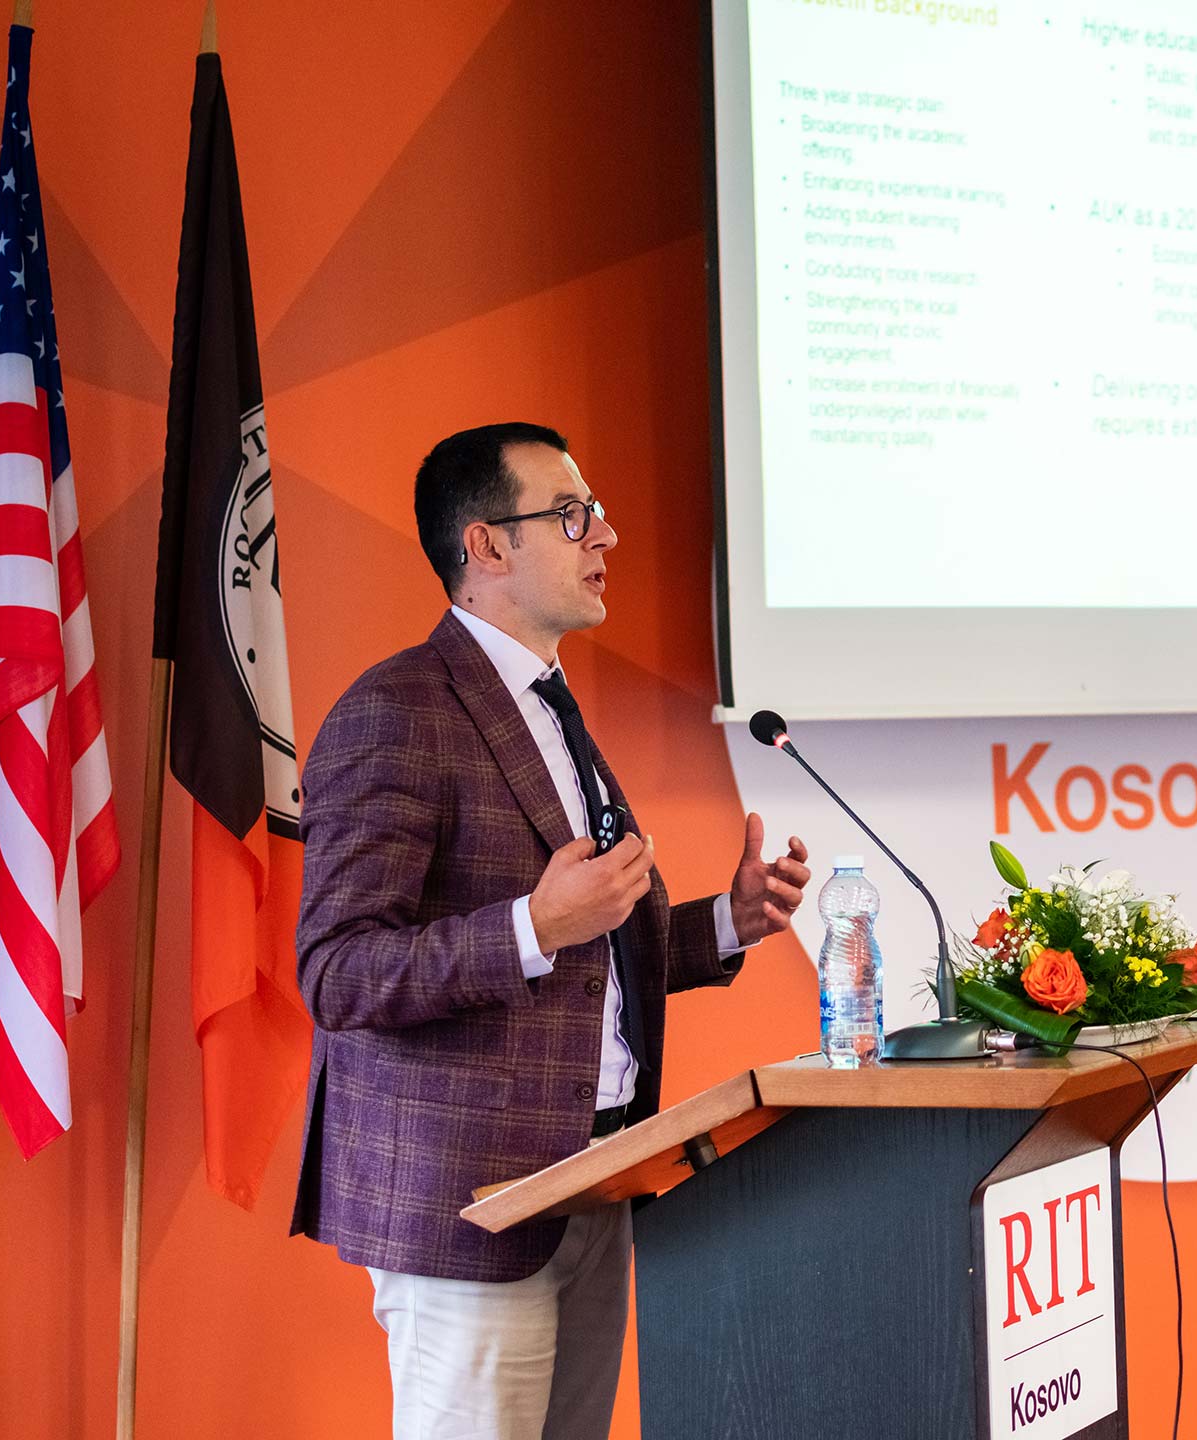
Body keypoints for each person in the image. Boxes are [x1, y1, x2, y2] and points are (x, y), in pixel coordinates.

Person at [289, 421, 812, 1439]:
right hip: (470, 1209)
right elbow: (339, 971)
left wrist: (727, 923)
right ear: (486, 546)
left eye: (596, 511)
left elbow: (590, 954)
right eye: (572, 515)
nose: (605, 534)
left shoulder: (548, 706)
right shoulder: (398, 709)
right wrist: (531, 923)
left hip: (594, 1180)